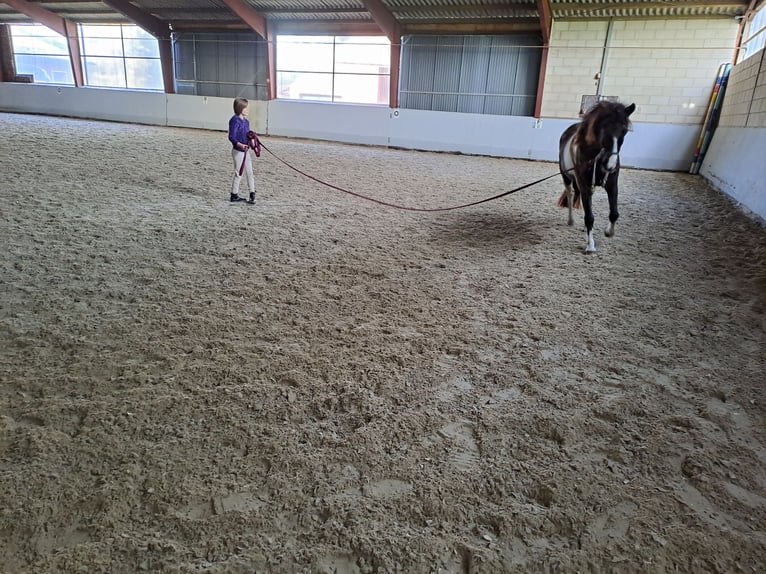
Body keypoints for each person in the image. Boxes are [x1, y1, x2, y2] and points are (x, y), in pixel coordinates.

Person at [227, 97, 257, 204]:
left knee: (250, 172)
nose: (247, 110)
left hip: (246, 151)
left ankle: (252, 193)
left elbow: (248, 135)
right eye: (245, 108)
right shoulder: (234, 121)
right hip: (238, 152)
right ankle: (234, 194)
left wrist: (252, 142)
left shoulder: (246, 122)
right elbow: (231, 137)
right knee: (239, 173)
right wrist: (240, 145)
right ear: (240, 108)